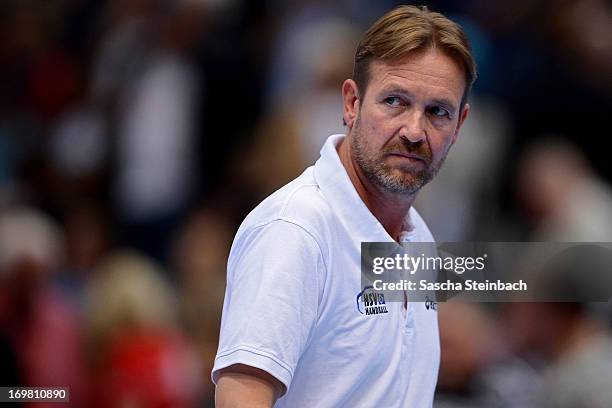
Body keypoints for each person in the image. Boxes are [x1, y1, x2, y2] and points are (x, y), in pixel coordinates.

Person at [212, 5, 476, 407]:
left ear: (459, 125)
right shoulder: (296, 229)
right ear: (352, 103)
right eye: (394, 101)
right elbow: (241, 398)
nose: (414, 131)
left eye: (438, 112)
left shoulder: (418, 236)